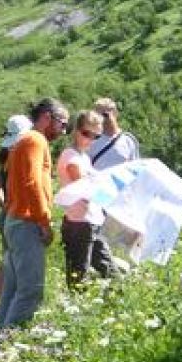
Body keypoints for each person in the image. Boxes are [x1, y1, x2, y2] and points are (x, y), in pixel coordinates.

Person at [0, 98, 68, 333]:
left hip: (16, 220)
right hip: (26, 223)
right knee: (31, 290)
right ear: (47, 117)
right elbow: (32, 183)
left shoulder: (23, 141)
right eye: (62, 124)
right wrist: (44, 221)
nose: (64, 130)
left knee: (13, 289)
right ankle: (7, 349)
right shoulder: (35, 140)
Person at [58, 110, 116, 287]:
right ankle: (75, 311)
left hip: (91, 220)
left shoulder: (83, 157)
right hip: (79, 223)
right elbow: (84, 188)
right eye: (86, 134)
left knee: (108, 268)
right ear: (76, 130)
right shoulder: (71, 157)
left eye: (96, 136)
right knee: (79, 275)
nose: (90, 140)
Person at [0, 114, 32, 316]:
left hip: (7, 214)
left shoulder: (5, 158)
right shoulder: (16, 158)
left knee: (8, 261)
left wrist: (5, 207)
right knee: (9, 263)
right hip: (15, 215)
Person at [87, 97, 140, 171]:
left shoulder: (129, 140)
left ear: (115, 113)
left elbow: (135, 169)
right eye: (98, 115)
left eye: (105, 115)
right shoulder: (90, 141)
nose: (102, 119)